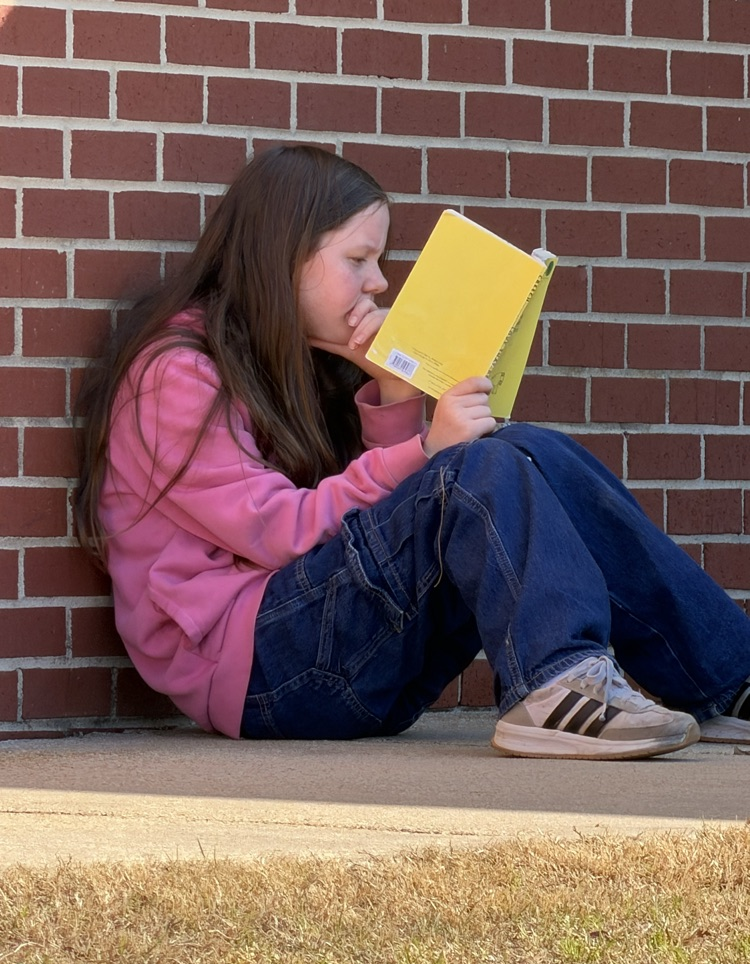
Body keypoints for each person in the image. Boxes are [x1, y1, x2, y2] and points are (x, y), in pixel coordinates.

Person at [75, 143, 750, 760]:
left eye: (379, 263)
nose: (376, 283)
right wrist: (429, 446)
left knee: (525, 449)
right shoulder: (175, 375)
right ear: (283, 256)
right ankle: (557, 687)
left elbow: (381, 530)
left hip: (338, 662)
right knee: (477, 465)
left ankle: (727, 683)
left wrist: (394, 392)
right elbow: (283, 531)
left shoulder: (291, 361)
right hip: (258, 671)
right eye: (357, 259)